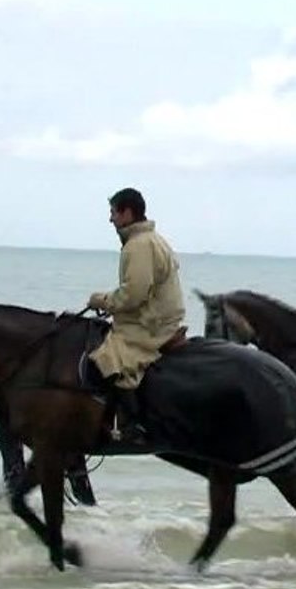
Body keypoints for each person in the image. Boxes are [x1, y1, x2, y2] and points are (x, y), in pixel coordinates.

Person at [86, 188, 186, 444]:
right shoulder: (152, 239)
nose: (110, 219)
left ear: (127, 213)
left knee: (110, 358)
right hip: (158, 317)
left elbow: (134, 295)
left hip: (151, 326)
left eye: (113, 213)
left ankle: (133, 427)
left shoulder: (138, 245)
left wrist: (102, 301)